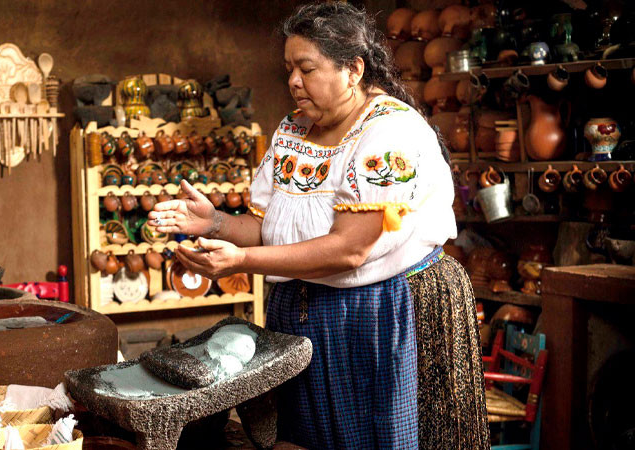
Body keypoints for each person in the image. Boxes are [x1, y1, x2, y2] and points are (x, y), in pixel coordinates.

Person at [148, 3, 489, 449]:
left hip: (378, 313)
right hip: (304, 312)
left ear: (353, 69)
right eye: (289, 68)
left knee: (371, 437)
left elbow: (349, 250)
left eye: (306, 68)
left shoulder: (389, 134)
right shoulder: (294, 130)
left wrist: (243, 262)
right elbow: (272, 230)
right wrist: (215, 222)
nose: (293, 81)